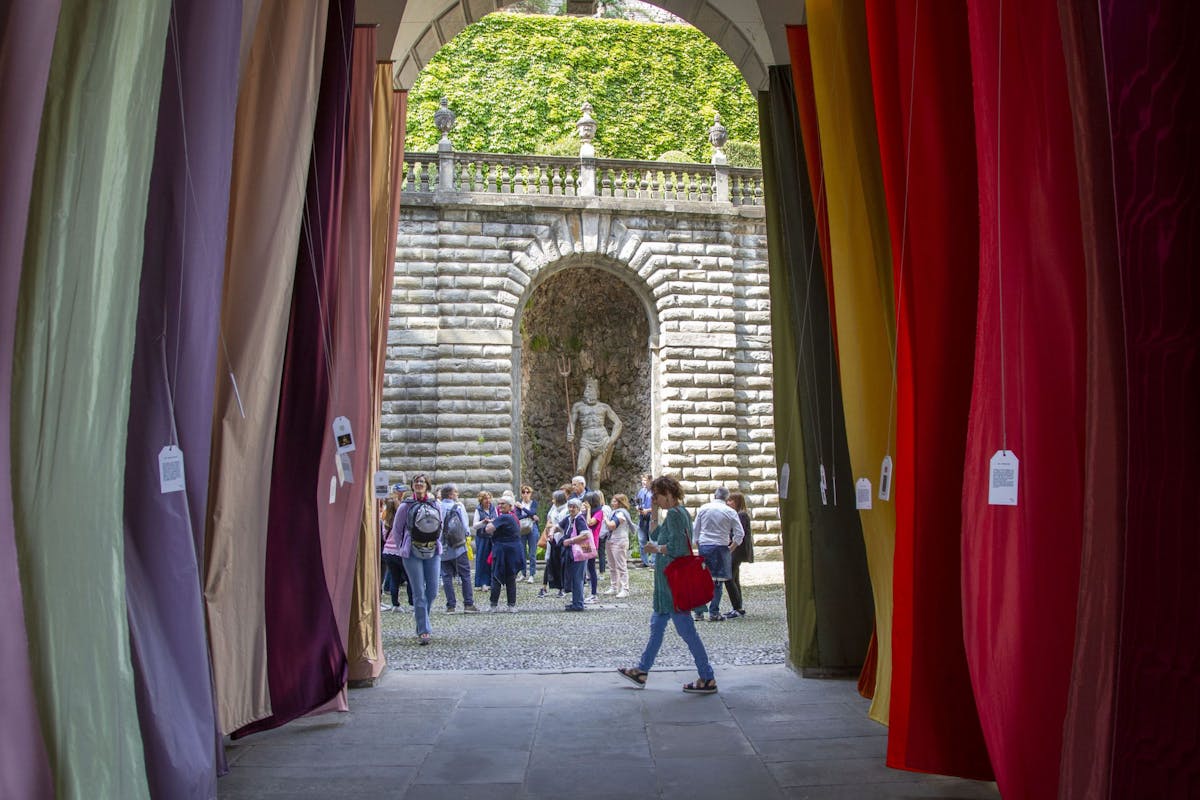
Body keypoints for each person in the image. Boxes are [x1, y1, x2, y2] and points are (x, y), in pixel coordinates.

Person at [617, 475, 717, 693]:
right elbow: (656, 534)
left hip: (672, 586)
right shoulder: (678, 513)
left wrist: (656, 550)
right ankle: (642, 671)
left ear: (668, 494)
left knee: (687, 631)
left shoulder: (674, 514)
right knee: (657, 628)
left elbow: (677, 547)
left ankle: (707, 677)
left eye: (657, 496)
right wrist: (654, 512)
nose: (656, 500)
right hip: (666, 587)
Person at [395, 474, 443, 645]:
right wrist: (401, 548)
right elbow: (397, 529)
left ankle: (421, 617)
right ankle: (424, 630)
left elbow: (440, 526)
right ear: (412, 486)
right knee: (419, 592)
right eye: (416, 482)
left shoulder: (435, 504)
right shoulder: (405, 506)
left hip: (433, 550)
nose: (419, 484)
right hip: (412, 551)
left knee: (433, 590)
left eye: (422, 482)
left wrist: (438, 544)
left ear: (427, 485)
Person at [691, 486, 744, 622]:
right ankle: (714, 612)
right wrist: (731, 548)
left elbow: (695, 529)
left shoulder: (703, 508)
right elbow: (740, 533)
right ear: (726, 498)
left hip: (705, 546)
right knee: (718, 581)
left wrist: (698, 544)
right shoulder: (730, 511)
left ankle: (698, 612)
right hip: (721, 547)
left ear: (714, 495)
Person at [567, 377, 623, 489]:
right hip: (586, 442)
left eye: (591, 388)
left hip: (602, 441)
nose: (588, 391)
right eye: (587, 388)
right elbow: (571, 422)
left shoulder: (604, 407)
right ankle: (579, 496)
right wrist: (570, 433)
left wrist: (611, 440)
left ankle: (595, 499)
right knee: (580, 470)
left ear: (597, 392)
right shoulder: (578, 406)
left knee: (596, 474)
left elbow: (618, 423)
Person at [438, 483, 479, 614]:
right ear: (450, 494)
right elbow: (465, 527)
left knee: (446, 576)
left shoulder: (437, 506)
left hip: (442, 547)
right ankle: (468, 604)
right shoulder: (458, 507)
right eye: (455, 492)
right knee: (465, 574)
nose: (457, 494)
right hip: (458, 546)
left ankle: (450, 606)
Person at [486, 492, 525, 612]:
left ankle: (493, 605)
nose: (500, 506)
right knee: (511, 578)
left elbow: (489, 529)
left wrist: (490, 523)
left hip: (503, 551)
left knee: (497, 576)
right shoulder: (513, 516)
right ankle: (511, 605)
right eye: (499, 504)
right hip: (514, 550)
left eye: (503, 504)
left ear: (510, 506)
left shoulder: (504, 517)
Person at [723, 491, 754, 619]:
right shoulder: (739, 514)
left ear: (737, 502)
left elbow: (738, 532)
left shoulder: (741, 515)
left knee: (729, 577)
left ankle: (737, 607)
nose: (728, 503)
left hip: (737, 551)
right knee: (734, 578)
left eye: (730, 500)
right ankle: (738, 607)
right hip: (737, 551)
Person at [560, 497, 592, 611]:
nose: (571, 509)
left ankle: (578, 604)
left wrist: (571, 540)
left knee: (578, 578)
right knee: (575, 577)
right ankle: (576, 602)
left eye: (574, 507)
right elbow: (558, 526)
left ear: (578, 508)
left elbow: (585, 535)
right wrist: (551, 531)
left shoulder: (579, 519)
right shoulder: (569, 518)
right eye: (570, 506)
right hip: (575, 553)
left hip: (579, 553)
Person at [379, 499, 411, 612]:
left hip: (387, 551)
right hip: (400, 552)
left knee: (394, 578)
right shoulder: (402, 521)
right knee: (409, 578)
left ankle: (395, 604)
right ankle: (412, 603)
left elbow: (383, 537)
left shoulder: (386, 521)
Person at [539, 489, 569, 598]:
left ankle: (562, 588)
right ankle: (544, 586)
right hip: (552, 538)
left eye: (554, 498)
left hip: (561, 538)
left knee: (561, 563)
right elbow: (549, 520)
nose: (552, 500)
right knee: (549, 561)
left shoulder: (566, 510)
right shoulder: (554, 509)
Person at [603, 494, 634, 597]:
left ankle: (625, 589)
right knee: (612, 566)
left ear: (621, 503)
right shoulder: (613, 512)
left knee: (621, 566)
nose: (612, 503)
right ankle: (614, 586)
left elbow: (612, 525)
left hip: (619, 541)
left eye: (615, 501)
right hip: (610, 540)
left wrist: (605, 518)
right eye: (612, 501)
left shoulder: (621, 513)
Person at [582, 490, 605, 603]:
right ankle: (588, 592)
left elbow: (590, 522)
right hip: (584, 542)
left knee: (591, 568)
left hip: (592, 543)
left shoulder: (599, 512)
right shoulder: (588, 511)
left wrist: (588, 511)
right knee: (585, 568)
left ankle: (594, 594)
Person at [472, 490, 496, 589]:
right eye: (485, 498)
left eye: (489, 498)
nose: (488, 500)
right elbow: (475, 525)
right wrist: (483, 522)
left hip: (492, 537)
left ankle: (492, 581)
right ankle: (482, 582)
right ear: (481, 500)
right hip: (482, 538)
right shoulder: (478, 510)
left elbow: (497, 519)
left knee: (492, 560)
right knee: (482, 559)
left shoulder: (493, 509)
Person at [516, 484, 540, 583]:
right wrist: (530, 515)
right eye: (523, 492)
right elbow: (517, 517)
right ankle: (523, 573)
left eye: (527, 492)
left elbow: (533, 512)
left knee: (532, 553)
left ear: (531, 493)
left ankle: (532, 574)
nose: (525, 494)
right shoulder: (517, 504)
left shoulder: (533, 503)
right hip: (522, 528)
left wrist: (522, 508)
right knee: (522, 552)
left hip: (532, 527)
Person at [635, 473, 654, 568]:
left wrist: (648, 510)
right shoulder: (641, 491)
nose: (643, 482)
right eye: (642, 480)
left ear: (650, 481)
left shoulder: (655, 492)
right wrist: (637, 508)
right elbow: (637, 502)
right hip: (642, 518)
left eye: (645, 480)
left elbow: (658, 506)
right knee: (642, 539)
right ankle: (645, 561)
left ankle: (654, 562)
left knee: (653, 539)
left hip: (652, 518)